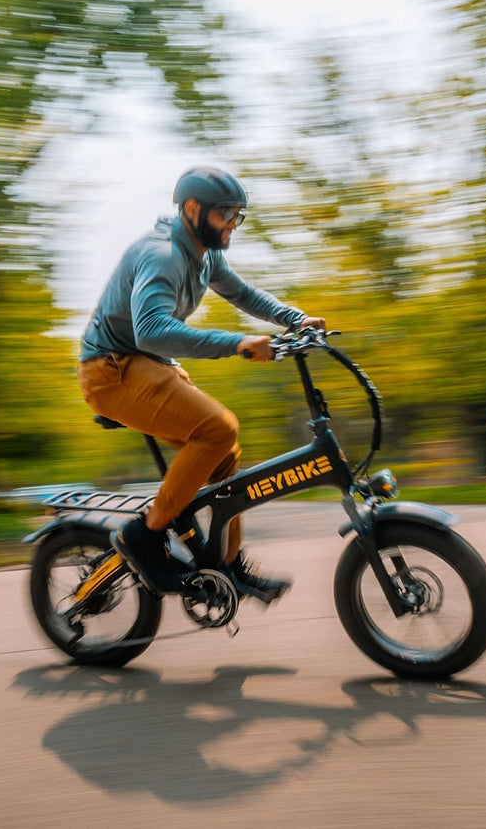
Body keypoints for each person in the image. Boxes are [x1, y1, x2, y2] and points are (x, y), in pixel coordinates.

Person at [77, 165, 324, 601]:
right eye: (224, 215)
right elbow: (150, 330)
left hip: (145, 367)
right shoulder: (162, 254)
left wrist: (295, 318)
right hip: (110, 371)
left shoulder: (205, 254)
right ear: (193, 209)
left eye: (236, 216)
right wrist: (237, 342)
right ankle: (145, 535)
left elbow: (242, 293)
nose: (232, 225)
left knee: (224, 455)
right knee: (219, 427)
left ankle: (226, 566)